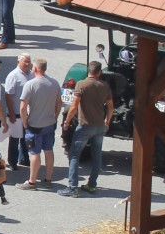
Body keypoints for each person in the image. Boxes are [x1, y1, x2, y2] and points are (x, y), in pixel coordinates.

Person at [64, 60, 111, 197]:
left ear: (88, 72)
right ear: (99, 72)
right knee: (97, 156)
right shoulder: (105, 86)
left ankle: (73, 187)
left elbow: (73, 106)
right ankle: (92, 185)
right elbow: (110, 106)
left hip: (85, 125)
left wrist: (67, 122)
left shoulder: (81, 84)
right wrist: (107, 121)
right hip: (100, 127)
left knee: (74, 155)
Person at [21, 58, 62, 187]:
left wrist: (24, 122)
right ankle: (48, 179)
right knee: (49, 150)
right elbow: (59, 103)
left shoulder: (31, 84)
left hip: (34, 125)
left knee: (34, 153)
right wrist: (55, 116)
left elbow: (22, 107)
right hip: (49, 123)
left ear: (35, 69)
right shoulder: (54, 83)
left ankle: (32, 181)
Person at [3, 54, 34, 168]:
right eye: (25, 61)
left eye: (29, 61)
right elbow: (9, 96)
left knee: (26, 138)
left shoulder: (32, 74)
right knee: (15, 138)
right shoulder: (13, 76)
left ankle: (24, 159)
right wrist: (11, 113)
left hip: (28, 113)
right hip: (15, 113)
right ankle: (12, 161)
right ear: (18, 62)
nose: (27, 64)